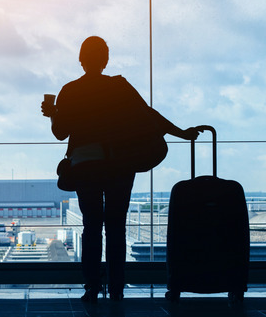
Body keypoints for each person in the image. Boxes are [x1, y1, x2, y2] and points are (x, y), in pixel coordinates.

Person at [42, 36, 198, 302]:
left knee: (92, 227)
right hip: (119, 165)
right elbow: (148, 114)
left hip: (85, 165)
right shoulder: (119, 87)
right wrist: (180, 133)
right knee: (116, 227)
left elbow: (59, 133)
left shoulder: (70, 90)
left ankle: (91, 287)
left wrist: (53, 112)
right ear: (105, 59)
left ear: (81, 59)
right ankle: (116, 288)